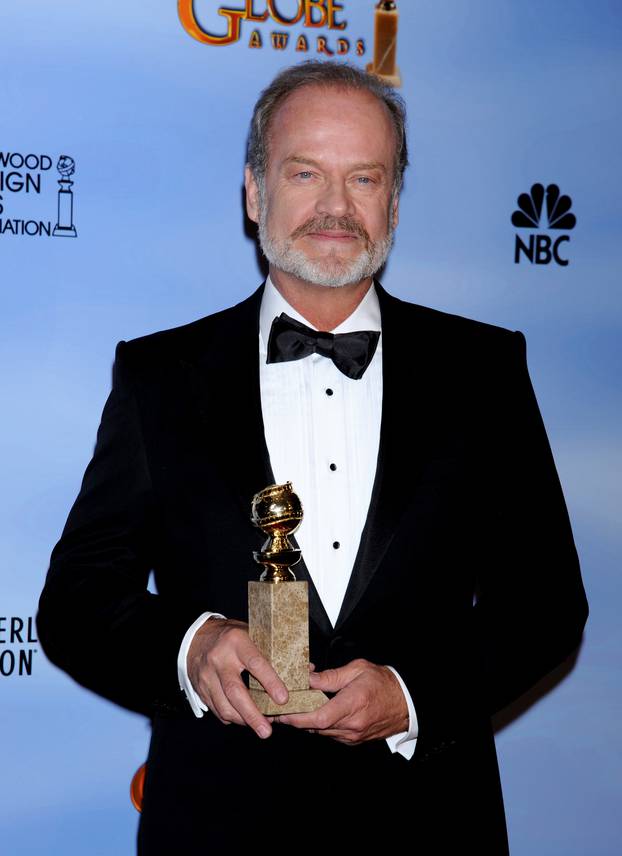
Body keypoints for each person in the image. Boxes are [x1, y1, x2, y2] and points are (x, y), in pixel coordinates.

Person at [37, 60, 588, 854]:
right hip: (219, 827)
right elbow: (78, 600)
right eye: (305, 173)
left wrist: (410, 696)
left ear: (394, 203)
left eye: (364, 177)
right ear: (255, 192)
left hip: (429, 825)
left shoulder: (484, 372)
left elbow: (546, 605)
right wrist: (192, 649)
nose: (336, 206)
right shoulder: (161, 377)